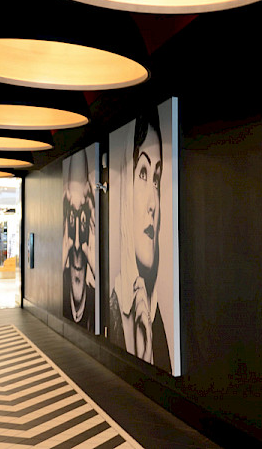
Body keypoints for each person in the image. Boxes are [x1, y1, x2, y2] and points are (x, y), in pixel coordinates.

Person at [110, 111, 172, 372]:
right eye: (143, 174)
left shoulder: (158, 329)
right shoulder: (111, 315)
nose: (153, 204)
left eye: (156, 180)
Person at [63, 149, 96, 331]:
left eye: (82, 222)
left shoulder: (100, 299)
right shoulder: (58, 293)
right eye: (71, 220)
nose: (76, 244)